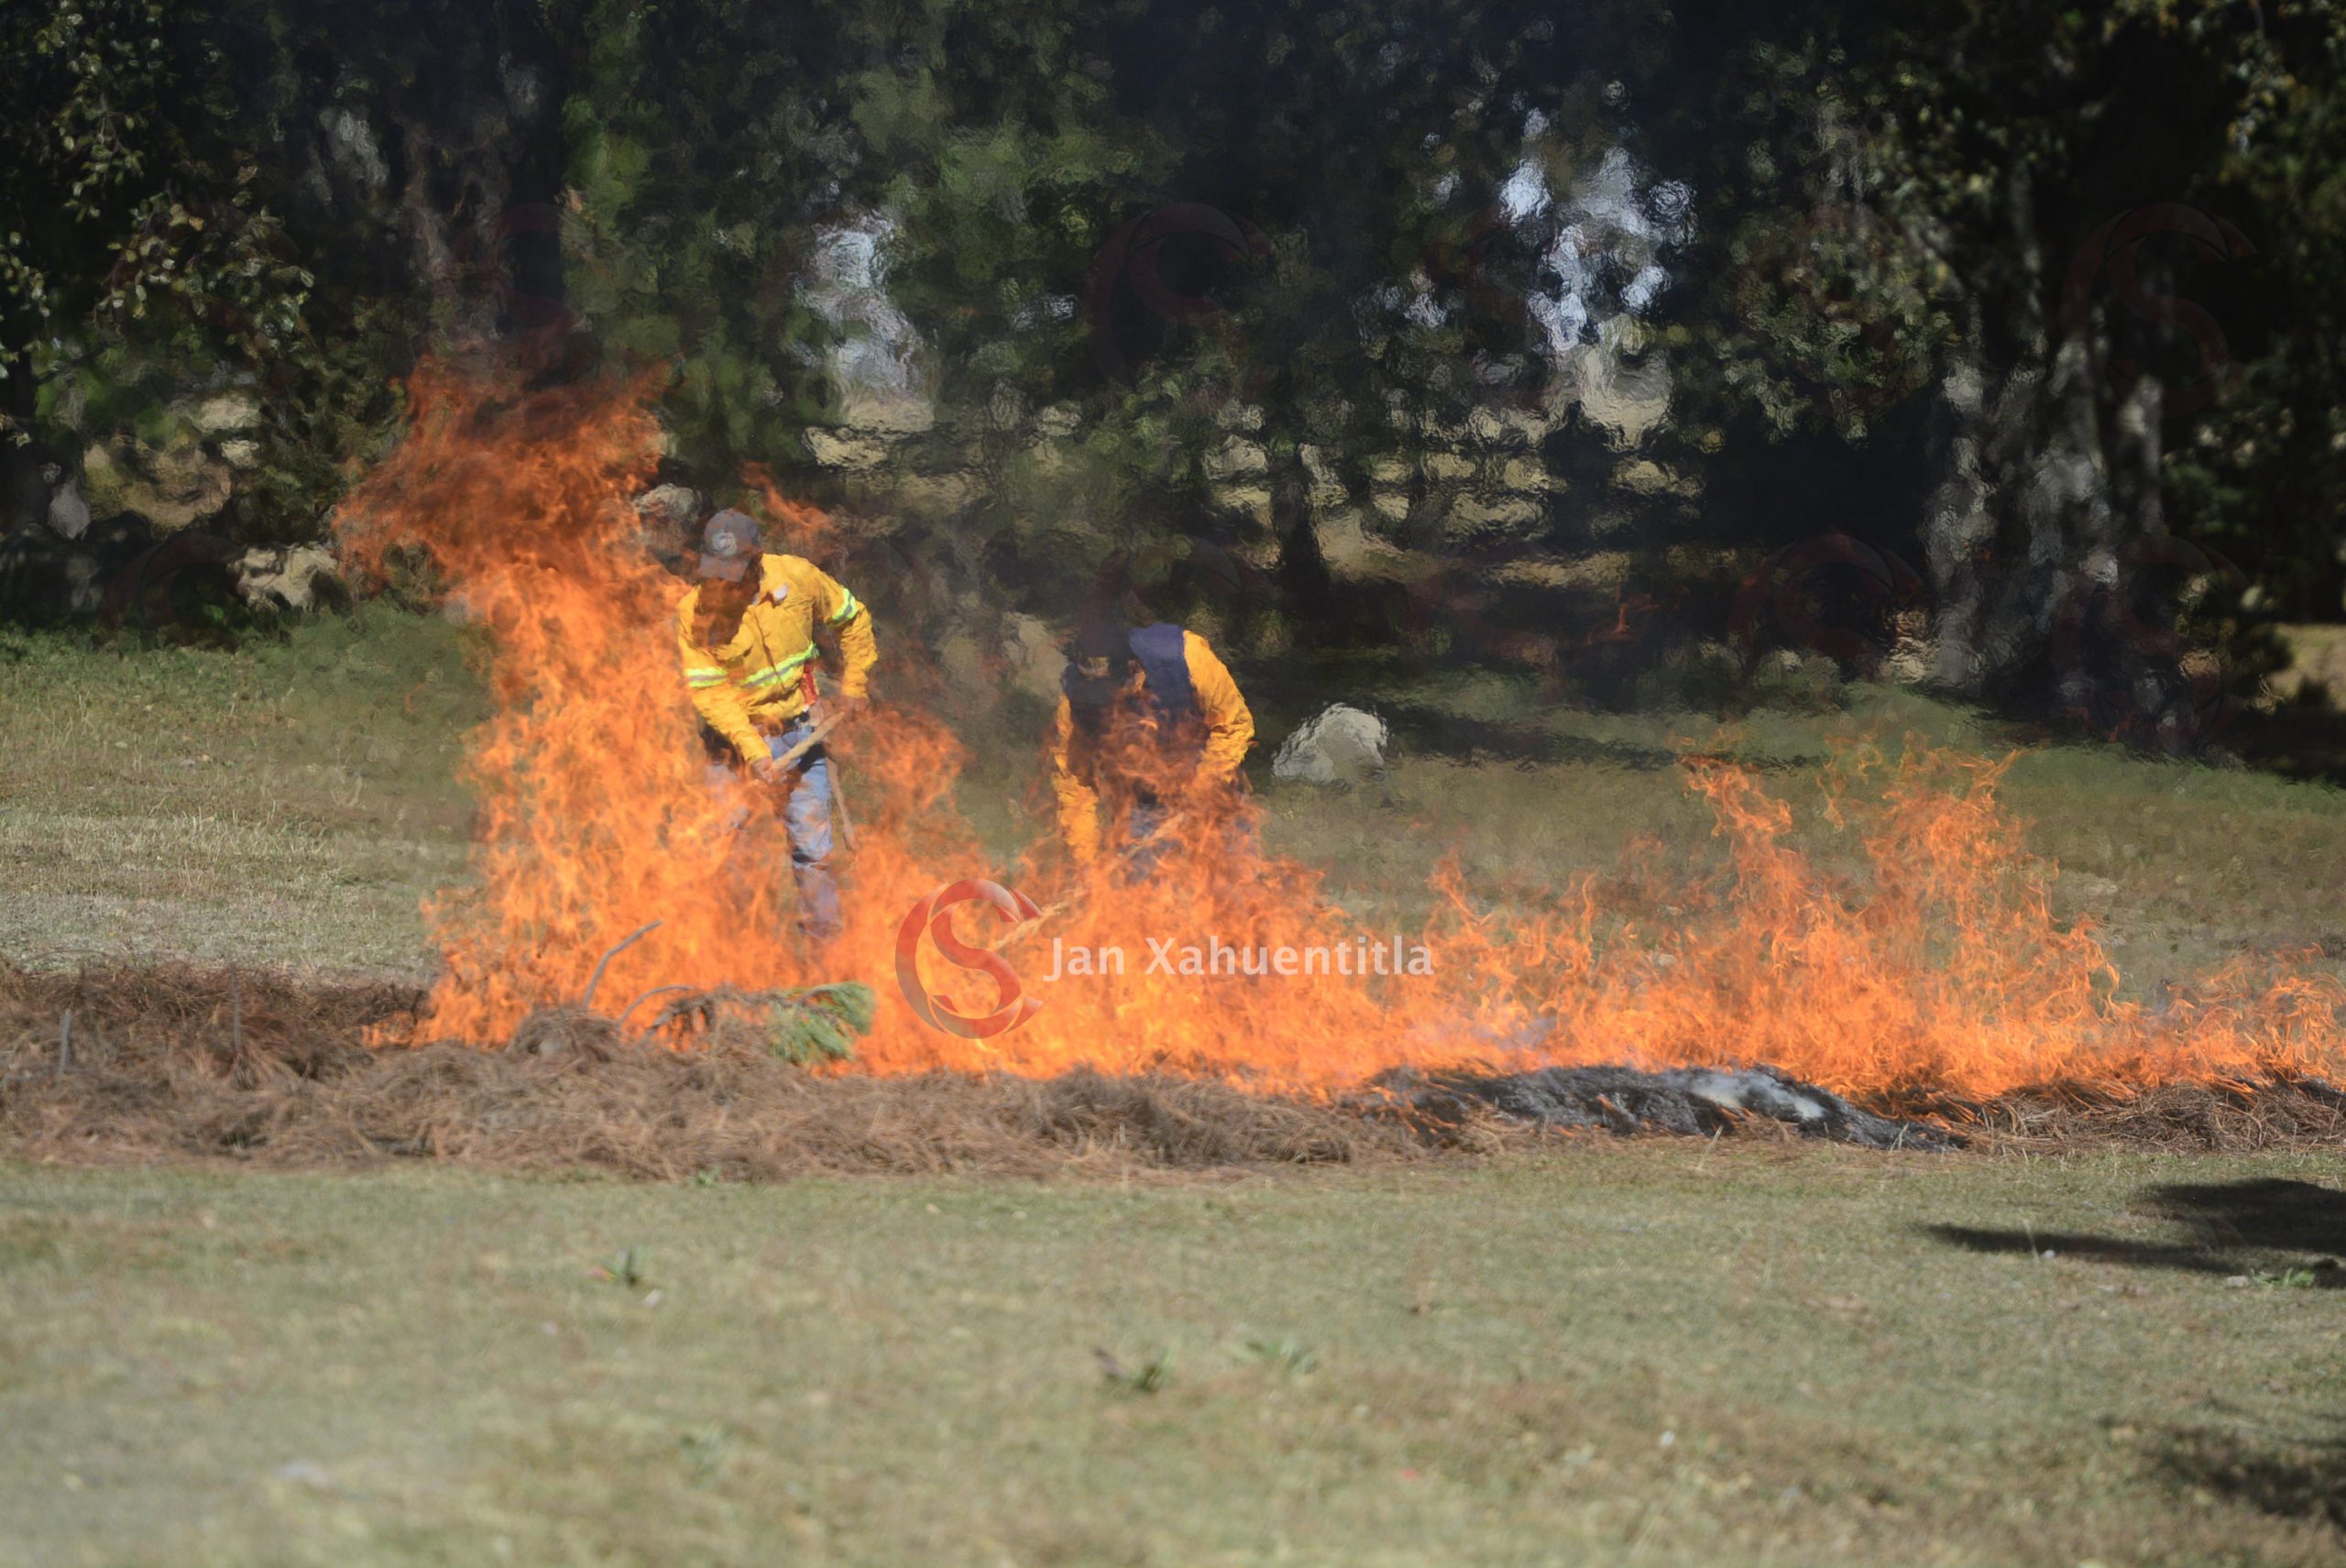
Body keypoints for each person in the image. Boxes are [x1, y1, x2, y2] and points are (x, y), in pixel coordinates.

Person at [675, 508, 875, 940]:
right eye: (716, 572)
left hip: (799, 732)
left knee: (812, 852)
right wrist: (753, 750)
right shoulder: (695, 613)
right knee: (726, 852)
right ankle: (739, 957)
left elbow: (852, 618)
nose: (724, 583)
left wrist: (854, 684)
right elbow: (710, 692)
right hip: (731, 744)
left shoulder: (798, 578)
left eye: (735, 572)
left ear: (758, 559)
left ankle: (825, 963)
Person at [1050, 612, 1255, 874]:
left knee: (1236, 882)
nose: (1107, 706)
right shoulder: (1075, 702)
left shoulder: (1187, 657)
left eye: (1111, 694)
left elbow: (1234, 724)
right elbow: (1074, 783)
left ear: (1134, 669)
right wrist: (1085, 861)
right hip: (1141, 802)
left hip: (1212, 783)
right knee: (1146, 896)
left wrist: (1203, 786)